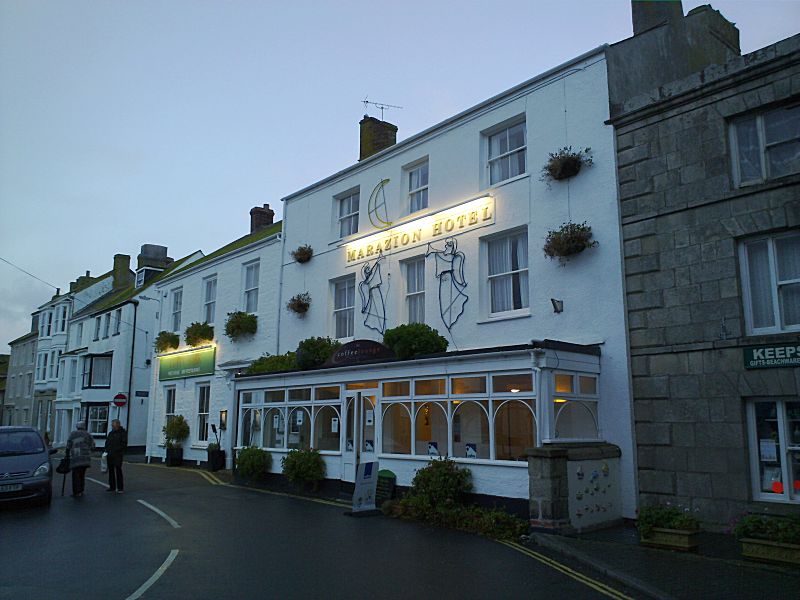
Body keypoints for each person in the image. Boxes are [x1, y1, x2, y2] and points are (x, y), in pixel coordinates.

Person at [65, 422, 95, 497]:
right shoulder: (88, 434)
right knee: (82, 474)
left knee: (75, 475)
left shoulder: (73, 434)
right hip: (85, 458)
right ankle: (81, 490)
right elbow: (93, 446)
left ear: (77, 427)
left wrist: (67, 455)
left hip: (76, 457)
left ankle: (76, 491)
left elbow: (68, 445)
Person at [105, 419, 127, 493]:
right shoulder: (110, 433)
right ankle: (112, 487)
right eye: (112, 425)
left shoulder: (122, 433)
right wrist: (106, 450)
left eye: (113, 425)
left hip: (118, 455)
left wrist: (117, 450)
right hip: (110, 455)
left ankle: (120, 488)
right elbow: (107, 442)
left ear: (117, 425)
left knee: (118, 470)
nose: (112, 426)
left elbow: (124, 444)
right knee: (111, 471)